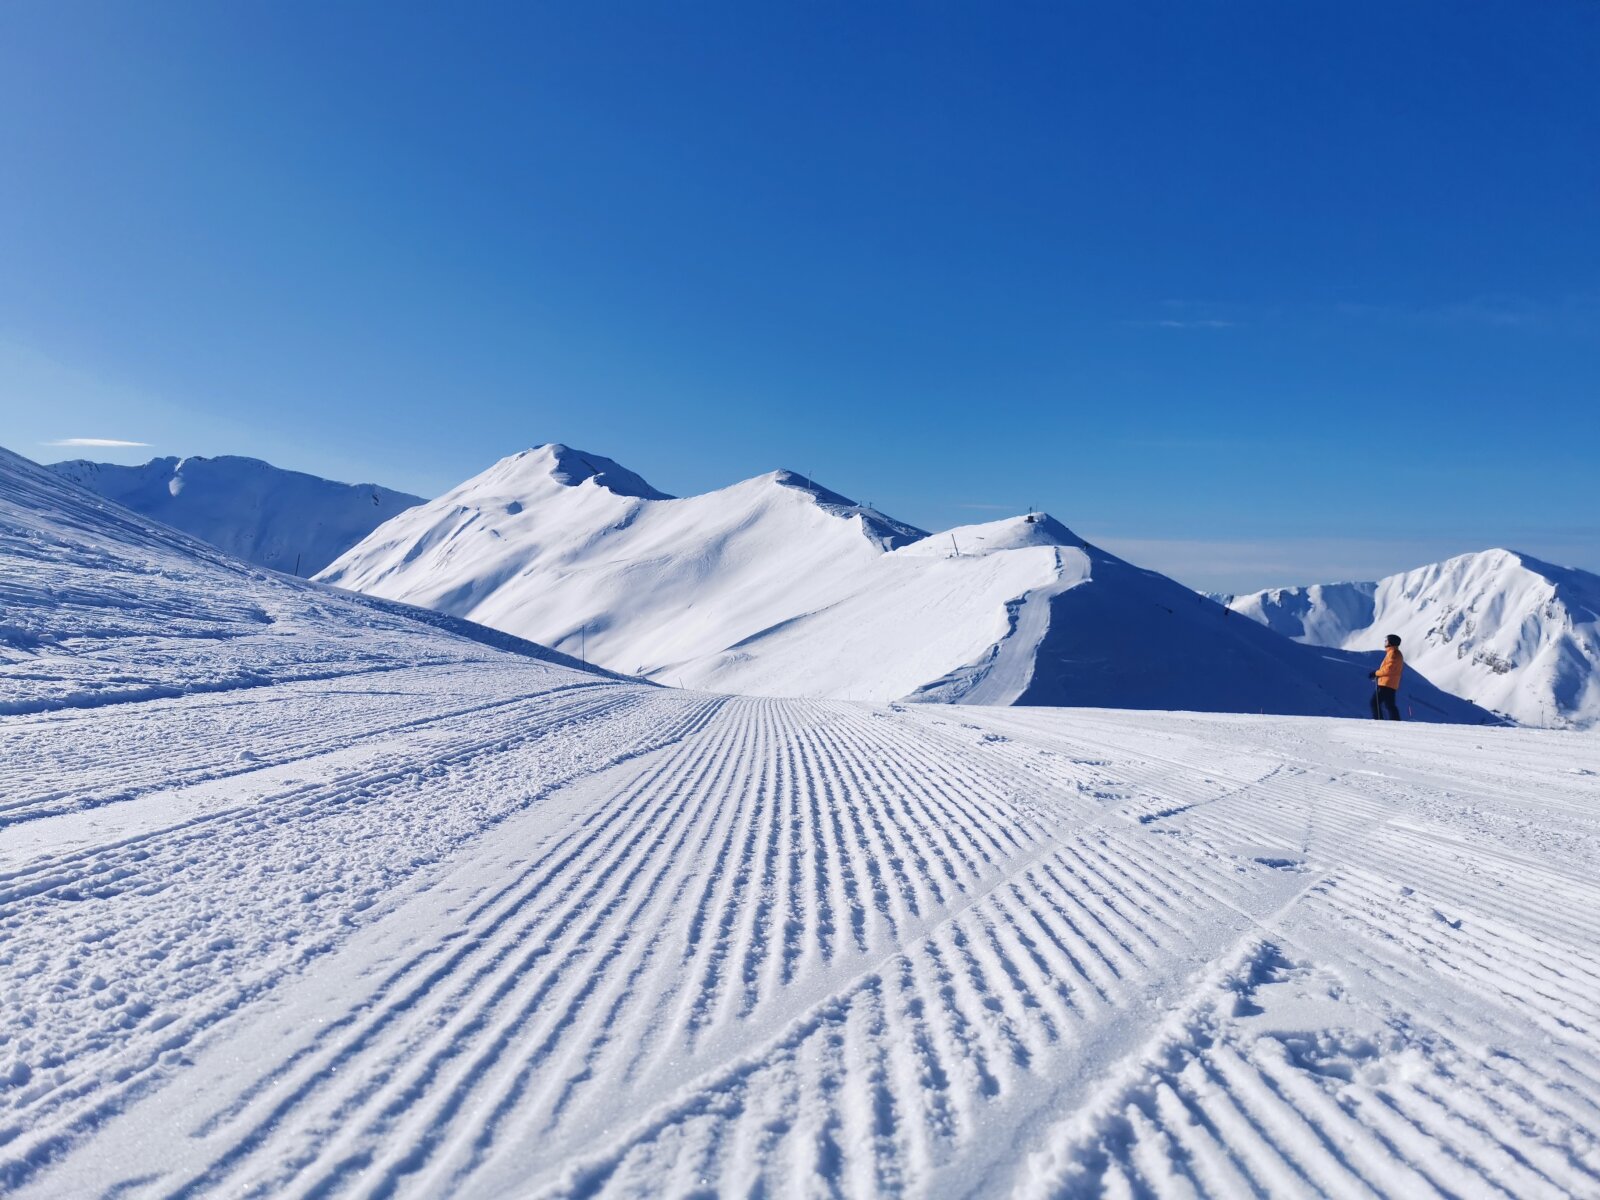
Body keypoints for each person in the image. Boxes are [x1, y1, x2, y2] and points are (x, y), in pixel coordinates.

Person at [1369, 634, 1403, 720]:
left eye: (1386, 641)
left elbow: (1389, 669)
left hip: (1386, 684)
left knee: (1374, 702)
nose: (1385, 642)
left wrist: (1376, 673)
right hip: (1389, 683)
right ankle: (1396, 722)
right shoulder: (1393, 653)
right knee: (1389, 705)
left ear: (1391, 642)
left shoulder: (1393, 653)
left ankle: (1379, 721)